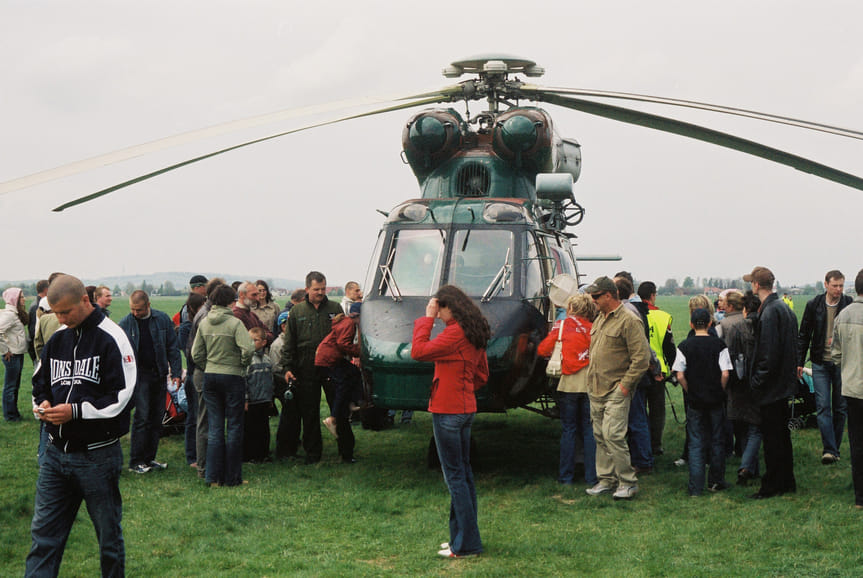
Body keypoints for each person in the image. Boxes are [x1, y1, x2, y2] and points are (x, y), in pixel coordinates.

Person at [26, 275, 136, 577]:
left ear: (85, 301)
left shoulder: (112, 336)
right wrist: (43, 405)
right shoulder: (58, 338)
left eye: (66, 312)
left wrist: (76, 411)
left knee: (108, 539)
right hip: (55, 454)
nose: (61, 319)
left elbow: (125, 393)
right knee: (43, 537)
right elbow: (40, 382)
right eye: (56, 313)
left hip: (97, 456)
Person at [411, 285, 489, 558]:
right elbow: (482, 375)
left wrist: (426, 319)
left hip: (448, 410)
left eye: (439, 308)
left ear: (448, 307)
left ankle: (466, 544)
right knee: (464, 476)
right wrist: (462, 384)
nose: (437, 313)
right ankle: (463, 538)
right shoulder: (473, 331)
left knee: (455, 477)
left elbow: (418, 351)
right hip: (465, 408)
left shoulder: (455, 333)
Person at [585, 276, 650, 501]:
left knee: (613, 435)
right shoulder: (600, 318)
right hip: (595, 388)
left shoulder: (629, 320)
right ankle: (606, 479)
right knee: (600, 435)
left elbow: (641, 359)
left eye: (595, 296)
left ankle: (628, 482)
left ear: (608, 295)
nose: (592, 300)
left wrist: (625, 386)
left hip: (616, 389)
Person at [192, 284, 255, 487]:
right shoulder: (235, 323)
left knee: (215, 428)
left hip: (210, 377)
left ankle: (212, 477)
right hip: (233, 377)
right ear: (231, 301)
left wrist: (209, 365)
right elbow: (248, 350)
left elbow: (196, 354)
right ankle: (232, 478)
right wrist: (240, 366)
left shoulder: (204, 323)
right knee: (235, 427)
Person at [745, 266, 799, 499]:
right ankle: (787, 481)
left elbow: (768, 353)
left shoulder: (769, 313)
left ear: (756, 285)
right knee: (782, 437)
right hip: (784, 384)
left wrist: (756, 381)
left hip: (771, 387)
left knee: (772, 439)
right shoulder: (784, 309)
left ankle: (772, 485)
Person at [280, 271, 342, 464]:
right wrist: (287, 367)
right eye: (316, 289)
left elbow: (345, 336)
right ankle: (313, 454)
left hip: (332, 365)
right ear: (307, 289)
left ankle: (345, 451)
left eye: (323, 289)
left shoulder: (335, 307)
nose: (321, 292)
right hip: (305, 366)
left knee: (338, 408)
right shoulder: (297, 312)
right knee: (310, 411)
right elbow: (289, 342)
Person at [119, 290, 182, 474]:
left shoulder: (162, 320)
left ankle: (149, 458)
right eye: (132, 309)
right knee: (142, 418)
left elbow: (172, 347)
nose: (135, 313)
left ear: (148, 305)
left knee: (157, 419)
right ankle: (136, 461)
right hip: (139, 377)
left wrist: (176, 372)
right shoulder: (125, 323)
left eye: (138, 309)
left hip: (160, 374)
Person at [538, 293, 598, 487]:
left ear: (571, 308)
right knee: (590, 431)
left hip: (568, 383)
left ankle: (566, 477)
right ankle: (592, 476)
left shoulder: (562, 326)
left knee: (569, 430)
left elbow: (543, 350)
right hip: (590, 384)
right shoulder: (595, 328)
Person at [673, 308, 733, 495]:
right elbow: (725, 373)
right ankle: (715, 481)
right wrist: (719, 389)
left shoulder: (684, 346)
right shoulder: (719, 345)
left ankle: (695, 487)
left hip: (695, 400)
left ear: (691, 324)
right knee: (717, 440)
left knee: (696, 442)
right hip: (715, 399)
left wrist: (689, 389)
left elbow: (680, 375)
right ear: (709, 323)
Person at [797, 269, 852, 465]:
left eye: (841, 286)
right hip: (819, 362)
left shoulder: (848, 304)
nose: (839, 289)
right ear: (826, 285)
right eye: (835, 285)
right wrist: (799, 362)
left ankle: (833, 449)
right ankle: (829, 449)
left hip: (841, 362)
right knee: (822, 406)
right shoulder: (814, 305)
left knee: (840, 407)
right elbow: (804, 334)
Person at [613, 276, 655, 474]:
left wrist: (651, 364)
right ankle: (641, 457)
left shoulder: (627, 313)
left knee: (636, 419)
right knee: (637, 418)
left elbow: (641, 346)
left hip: (633, 373)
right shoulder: (635, 308)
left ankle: (643, 461)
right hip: (638, 371)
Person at [722, 290, 762, 485]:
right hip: (758, 381)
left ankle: (747, 466)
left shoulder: (735, 328)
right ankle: (750, 467)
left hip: (738, 382)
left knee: (744, 426)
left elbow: (728, 355)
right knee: (755, 426)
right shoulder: (763, 326)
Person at [830, 268, 863, 509]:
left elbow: (836, 354)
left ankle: (860, 496)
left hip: (852, 388)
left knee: (857, 442)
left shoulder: (843, 315)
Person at [188, 277, 226, 479]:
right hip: (205, 373)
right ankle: (204, 468)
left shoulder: (207, 312)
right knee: (205, 422)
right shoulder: (206, 316)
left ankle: (212, 465)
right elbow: (196, 352)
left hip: (207, 371)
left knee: (211, 421)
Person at [315, 302, 363, 463]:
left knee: (353, 372)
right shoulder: (350, 324)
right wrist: (359, 350)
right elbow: (343, 344)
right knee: (341, 386)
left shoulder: (347, 322)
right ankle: (333, 418)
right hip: (328, 360)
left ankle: (352, 403)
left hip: (328, 358)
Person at [638, 280, 676, 456]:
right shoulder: (662, 317)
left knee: (638, 410)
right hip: (658, 372)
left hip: (637, 370)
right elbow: (669, 348)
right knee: (657, 411)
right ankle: (655, 445)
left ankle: (639, 444)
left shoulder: (632, 314)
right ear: (653, 295)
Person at [178, 292, 206, 468]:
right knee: (193, 418)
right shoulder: (186, 328)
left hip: (198, 373)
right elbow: (190, 354)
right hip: (192, 375)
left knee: (200, 416)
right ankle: (192, 456)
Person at [244, 327, 274, 463]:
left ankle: (263, 453)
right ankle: (250, 454)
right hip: (252, 400)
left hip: (264, 400)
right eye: (250, 340)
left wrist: (271, 398)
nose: (252, 343)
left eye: (255, 340)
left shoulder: (267, 360)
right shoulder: (247, 360)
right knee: (251, 429)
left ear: (263, 342)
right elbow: (243, 381)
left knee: (263, 428)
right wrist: (245, 399)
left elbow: (270, 381)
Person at [1, 287, 29, 422]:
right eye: (22, 297)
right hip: (11, 355)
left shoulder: (15, 314)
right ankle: (9, 415)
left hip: (17, 353)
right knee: (10, 386)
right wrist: (5, 350)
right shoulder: (9, 315)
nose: (24, 299)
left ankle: (14, 413)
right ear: (15, 299)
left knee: (15, 385)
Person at [26, 280, 49, 362]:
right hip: (38, 351)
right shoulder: (37, 306)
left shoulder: (35, 304)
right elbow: (34, 331)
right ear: (46, 290)